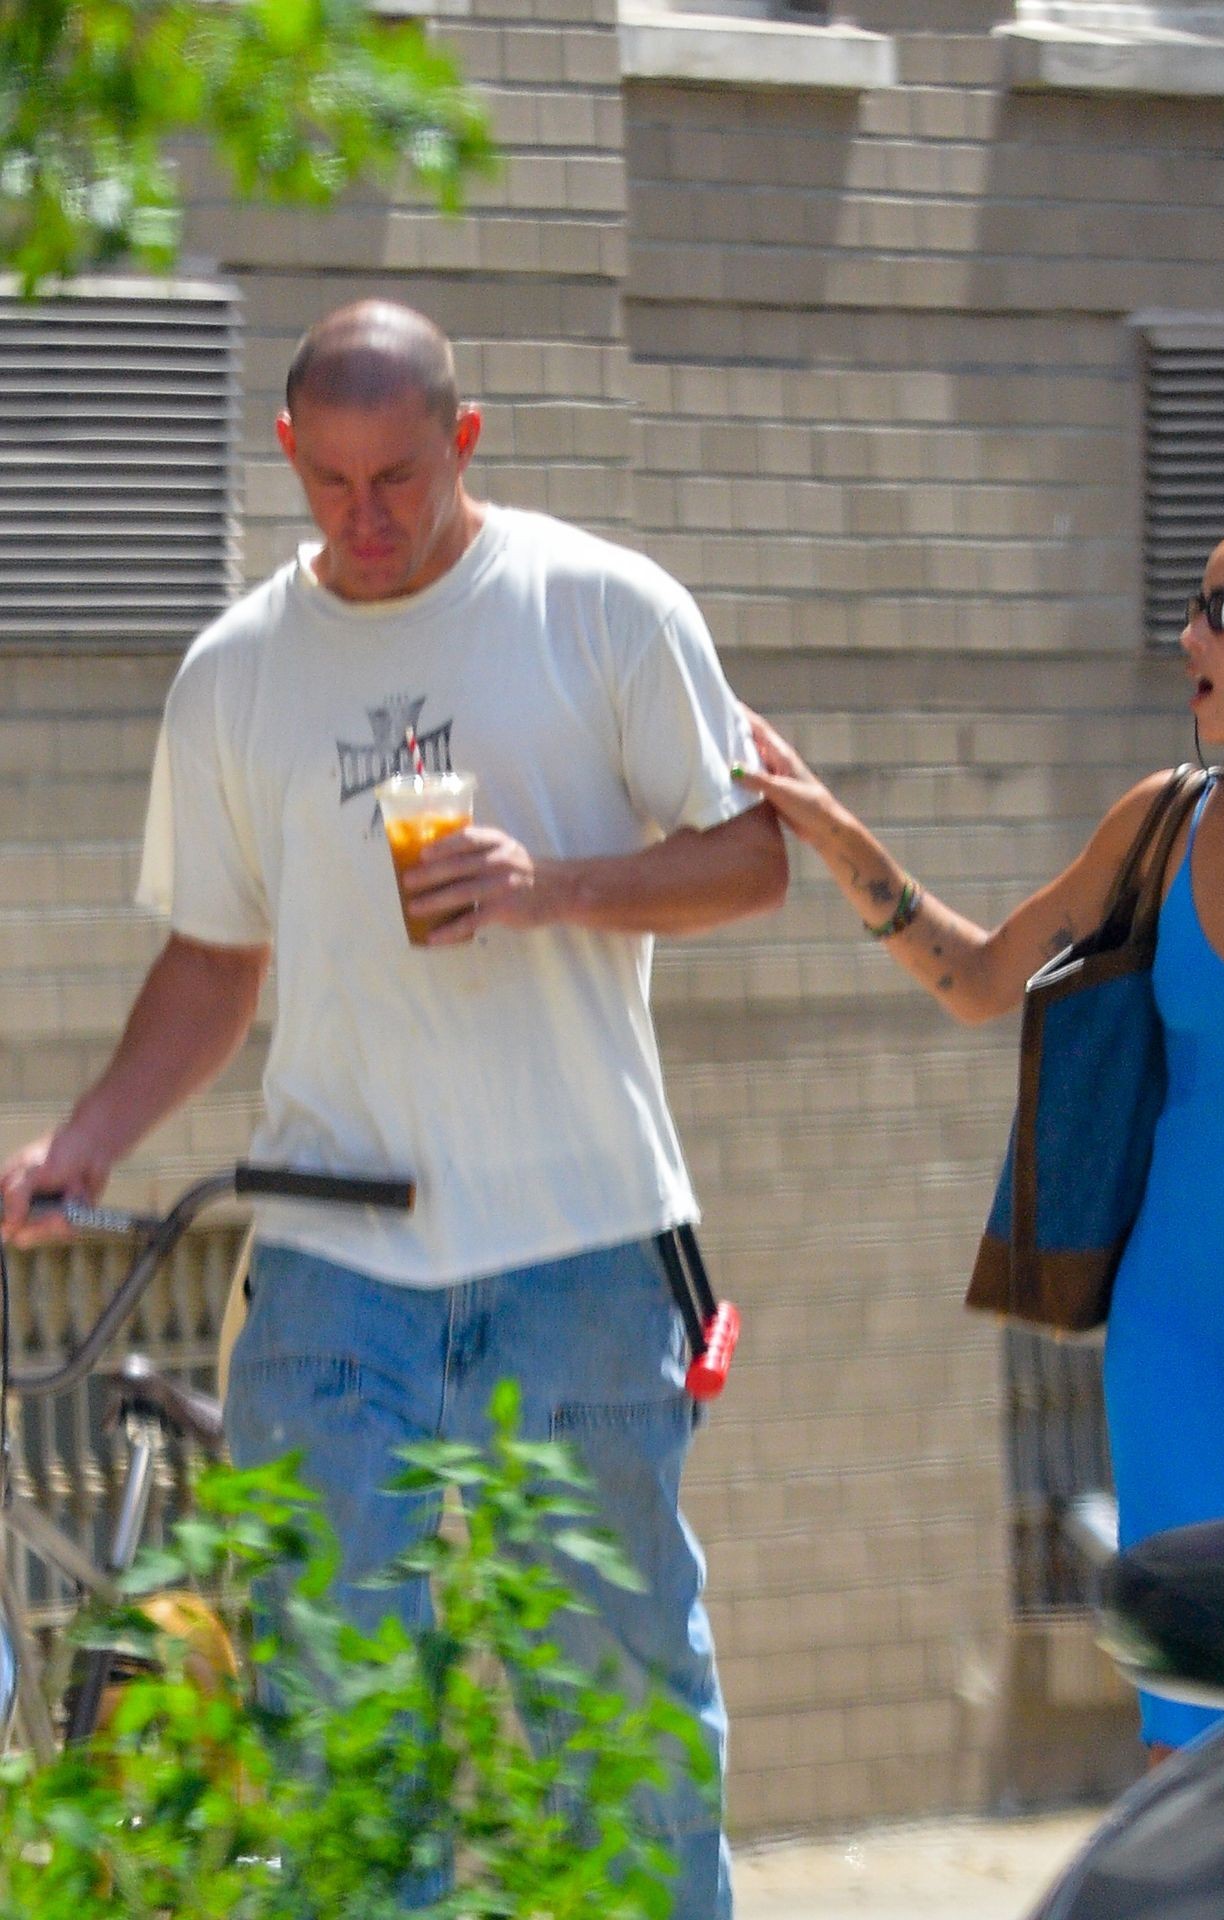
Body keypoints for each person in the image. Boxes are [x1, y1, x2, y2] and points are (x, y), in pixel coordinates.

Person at [0, 299, 787, 1913]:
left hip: (581, 1248)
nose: (365, 519)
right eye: (331, 482)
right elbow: (214, 958)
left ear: (464, 439)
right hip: (331, 1267)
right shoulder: (235, 674)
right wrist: (83, 1142)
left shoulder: (600, 607)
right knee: (341, 1746)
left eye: (400, 480)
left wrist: (553, 887)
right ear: (287, 452)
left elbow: (753, 857)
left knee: (611, 1722)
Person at [734, 508, 1224, 1760]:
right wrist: (835, 832)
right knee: (1193, 1708)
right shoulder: (1164, 827)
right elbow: (980, 977)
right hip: (1179, 1323)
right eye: (1191, 607)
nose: (1187, 637)